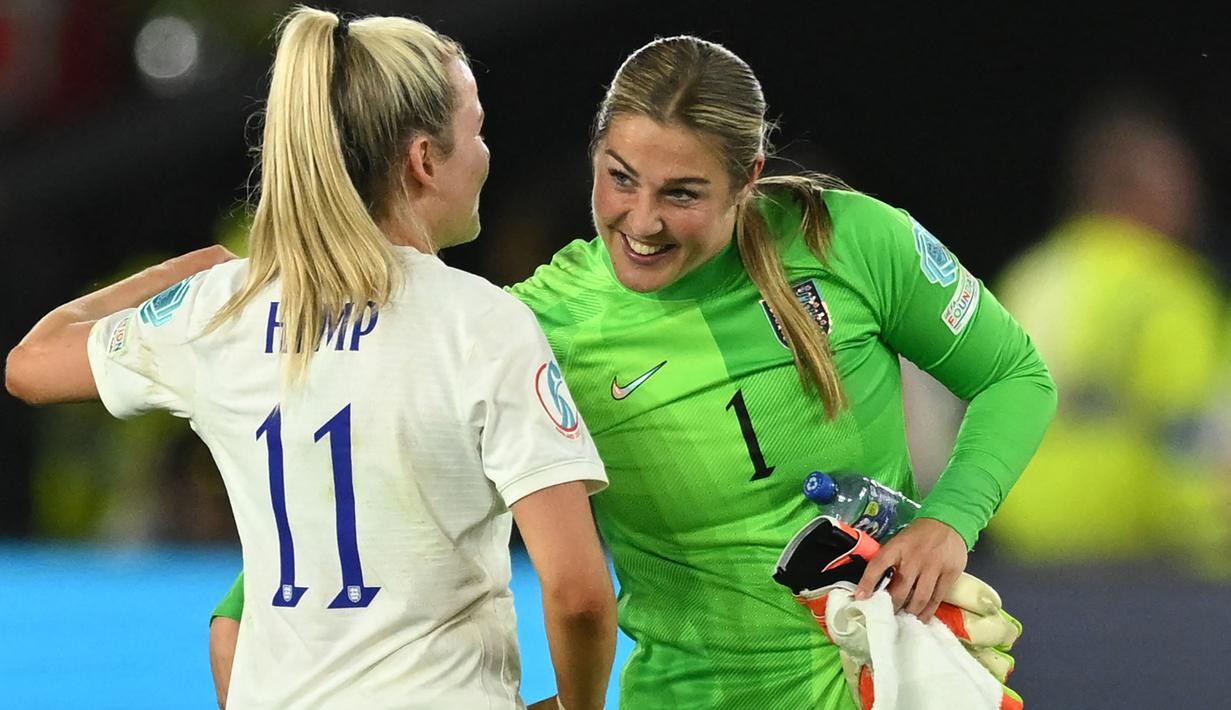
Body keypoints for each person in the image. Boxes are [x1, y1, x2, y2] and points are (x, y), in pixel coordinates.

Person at [210, 35, 1056, 708]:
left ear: (747, 180)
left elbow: (1016, 375)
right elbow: (367, 477)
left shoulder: (850, 240)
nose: (640, 221)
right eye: (619, 180)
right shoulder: (535, 326)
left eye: (681, 193)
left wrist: (949, 521)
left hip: (894, 691)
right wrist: (252, 608)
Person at [5, 7, 616, 710]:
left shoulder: (219, 310)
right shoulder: (482, 323)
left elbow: (30, 361)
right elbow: (576, 592)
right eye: (476, 132)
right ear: (423, 160)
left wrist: (200, 271)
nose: (485, 153)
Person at [987, 93, 1229, 573]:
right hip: (1138, 559)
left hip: (1017, 551)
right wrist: (1213, 547)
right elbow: (1186, 438)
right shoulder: (1168, 289)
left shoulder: (1031, 276)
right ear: (1141, 191)